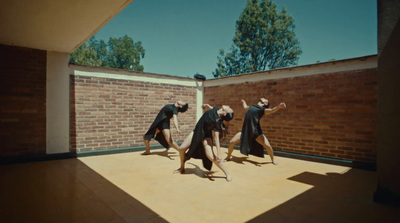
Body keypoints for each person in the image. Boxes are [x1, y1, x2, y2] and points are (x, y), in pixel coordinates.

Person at [174, 104, 234, 182]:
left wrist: (219, 153)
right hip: (197, 131)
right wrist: (207, 105)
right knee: (181, 148)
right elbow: (212, 109)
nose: (229, 106)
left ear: (225, 113)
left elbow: (216, 137)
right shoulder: (216, 109)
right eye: (230, 107)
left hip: (206, 135)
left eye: (229, 108)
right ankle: (182, 167)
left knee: (211, 156)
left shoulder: (216, 121)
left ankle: (227, 173)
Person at [225, 98, 286, 164]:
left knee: (268, 146)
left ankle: (273, 159)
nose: (263, 98)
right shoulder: (252, 107)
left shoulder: (261, 110)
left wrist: (279, 106)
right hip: (246, 131)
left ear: (265, 103)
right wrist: (243, 101)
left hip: (256, 132)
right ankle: (228, 157)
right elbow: (245, 107)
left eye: (265, 99)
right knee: (231, 142)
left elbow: (271, 110)